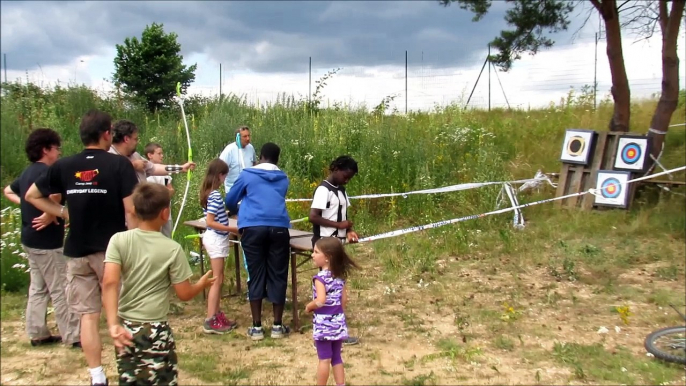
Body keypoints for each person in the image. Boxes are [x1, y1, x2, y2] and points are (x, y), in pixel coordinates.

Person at [24, 109, 139, 386]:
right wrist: (135, 245)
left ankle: (97, 377)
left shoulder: (64, 165)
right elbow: (132, 210)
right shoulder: (119, 164)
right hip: (111, 250)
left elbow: (31, 195)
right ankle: (129, 370)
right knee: (123, 311)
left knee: (88, 317)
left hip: (76, 251)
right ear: (107, 134)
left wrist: (64, 212)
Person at [102, 182, 216, 386]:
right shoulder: (172, 249)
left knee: (130, 380)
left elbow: (110, 282)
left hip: (126, 329)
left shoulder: (118, 240)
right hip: (156, 329)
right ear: (165, 214)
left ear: (134, 211)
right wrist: (201, 284)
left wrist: (112, 324)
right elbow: (184, 293)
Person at [3, 128, 80, 349]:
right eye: (56, 148)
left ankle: (37, 332)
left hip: (29, 239)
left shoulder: (27, 173)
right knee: (61, 287)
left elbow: (8, 190)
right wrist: (50, 212)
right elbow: (55, 195)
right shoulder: (48, 172)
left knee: (38, 287)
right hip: (47, 243)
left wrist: (29, 204)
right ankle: (73, 336)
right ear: (46, 149)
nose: (58, 152)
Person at [225, 142, 291, 341]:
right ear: (277, 159)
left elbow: (230, 200)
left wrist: (241, 210)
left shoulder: (247, 174)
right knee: (278, 274)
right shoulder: (283, 178)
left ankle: (256, 327)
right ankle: (278, 326)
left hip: (253, 227)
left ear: (260, 156)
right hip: (279, 227)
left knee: (256, 273)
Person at [308, 155, 360, 346]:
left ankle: (336, 328)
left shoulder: (342, 191)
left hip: (338, 244)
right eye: (346, 175)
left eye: (350, 178)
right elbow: (313, 217)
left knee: (338, 288)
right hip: (325, 246)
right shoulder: (323, 190)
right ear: (336, 169)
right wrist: (338, 224)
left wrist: (348, 230)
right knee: (328, 289)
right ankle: (330, 330)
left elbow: (345, 216)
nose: (347, 180)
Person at [305, 237, 359, 386]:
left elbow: (320, 300)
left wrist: (310, 306)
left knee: (324, 359)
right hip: (338, 322)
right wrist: (338, 315)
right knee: (337, 357)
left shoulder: (319, 279)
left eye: (316, 252)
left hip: (324, 324)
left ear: (327, 257)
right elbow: (344, 301)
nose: (312, 255)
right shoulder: (339, 277)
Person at [199, 159, 239, 334]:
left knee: (219, 278)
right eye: (224, 176)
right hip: (216, 238)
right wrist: (233, 228)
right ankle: (210, 318)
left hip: (216, 238)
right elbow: (211, 222)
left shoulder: (208, 192)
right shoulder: (214, 194)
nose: (225, 179)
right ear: (219, 175)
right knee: (216, 280)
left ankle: (216, 313)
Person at [109, 119, 196, 184]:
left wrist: (181, 168)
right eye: (135, 139)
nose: (137, 142)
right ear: (126, 139)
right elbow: (109, 174)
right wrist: (132, 165)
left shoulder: (135, 155)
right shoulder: (109, 154)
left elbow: (154, 168)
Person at [219, 125, 255, 206]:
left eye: (249, 136)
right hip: (233, 190)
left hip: (248, 189)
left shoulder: (250, 148)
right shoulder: (229, 150)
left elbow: (254, 164)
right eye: (245, 136)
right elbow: (220, 168)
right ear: (238, 137)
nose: (248, 139)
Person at [144, 142, 174, 238]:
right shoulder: (146, 172)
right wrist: (164, 192)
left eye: (162, 153)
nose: (162, 156)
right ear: (150, 155)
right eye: (159, 153)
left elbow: (171, 189)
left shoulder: (164, 172)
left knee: (167, 239)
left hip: (166, 213)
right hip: (153, 213)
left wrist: (167, 192)